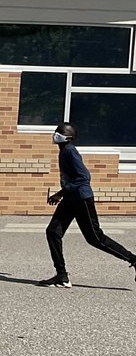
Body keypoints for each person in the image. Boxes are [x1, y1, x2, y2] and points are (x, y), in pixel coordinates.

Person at [41, 121, 136, 288]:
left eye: (59, 132)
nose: (55, 134)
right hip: (71, 198)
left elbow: (84, 177)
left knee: (95, 239)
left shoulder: (70, 151)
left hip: (81, 199)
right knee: (53, 232)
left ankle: (133, 259)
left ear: (68, 137)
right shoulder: (63, 151)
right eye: (56, 130)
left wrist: (59, 193)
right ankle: (62, 275)